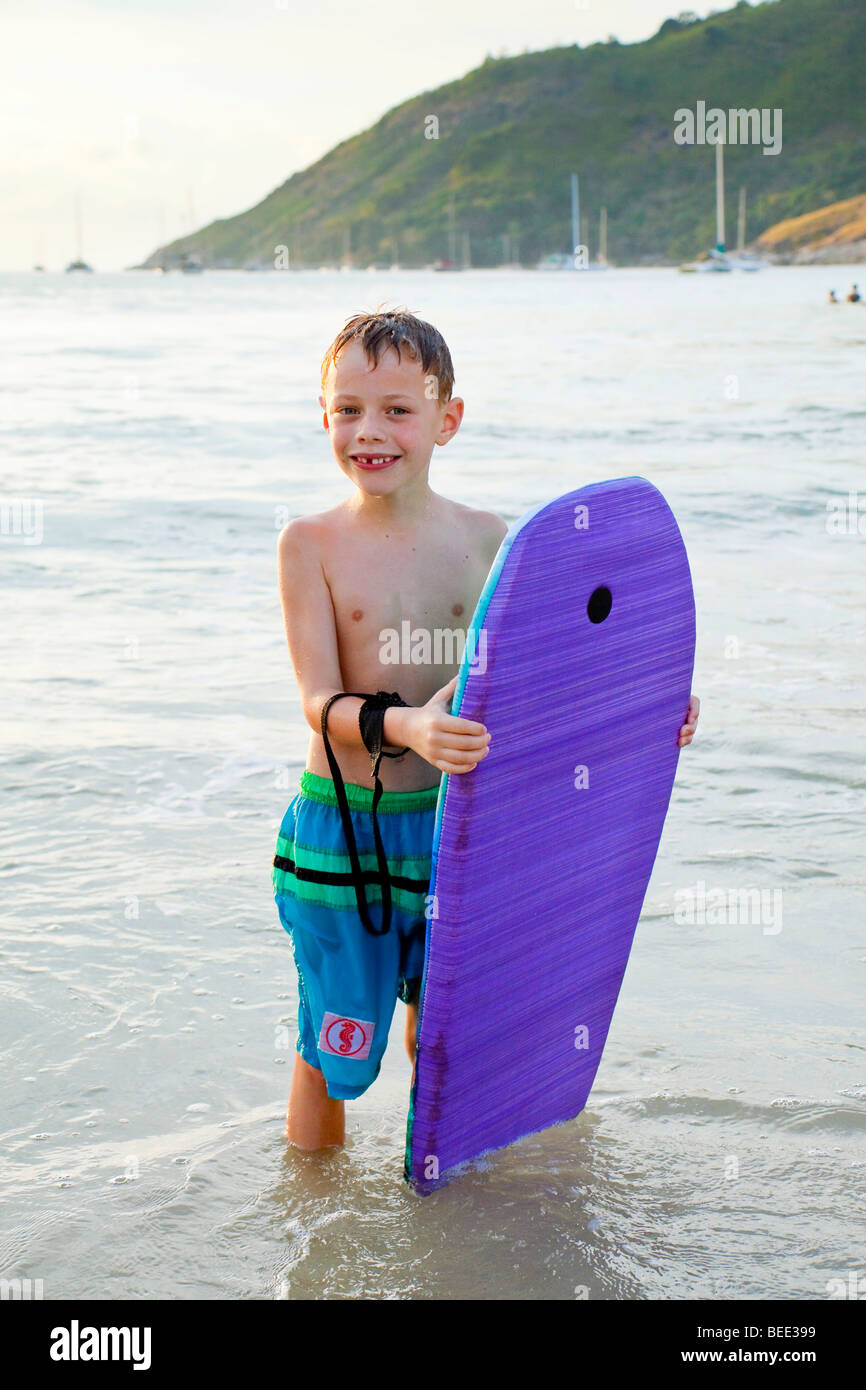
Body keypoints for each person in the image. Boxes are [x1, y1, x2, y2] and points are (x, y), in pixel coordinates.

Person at [272, 309, 701, 1150]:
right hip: (345, 836)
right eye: (349, 408)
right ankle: (311, 1219)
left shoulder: (493, 543)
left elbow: (549, 689)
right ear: (323, 415)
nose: (371, 431)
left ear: (446, 420)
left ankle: (434, 1193)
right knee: (332, 1046)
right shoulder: (309, 544)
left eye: (397, 409)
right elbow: (317, 704)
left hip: (465, 835)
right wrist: (410, 727)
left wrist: (647, 713)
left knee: (448, 1034)